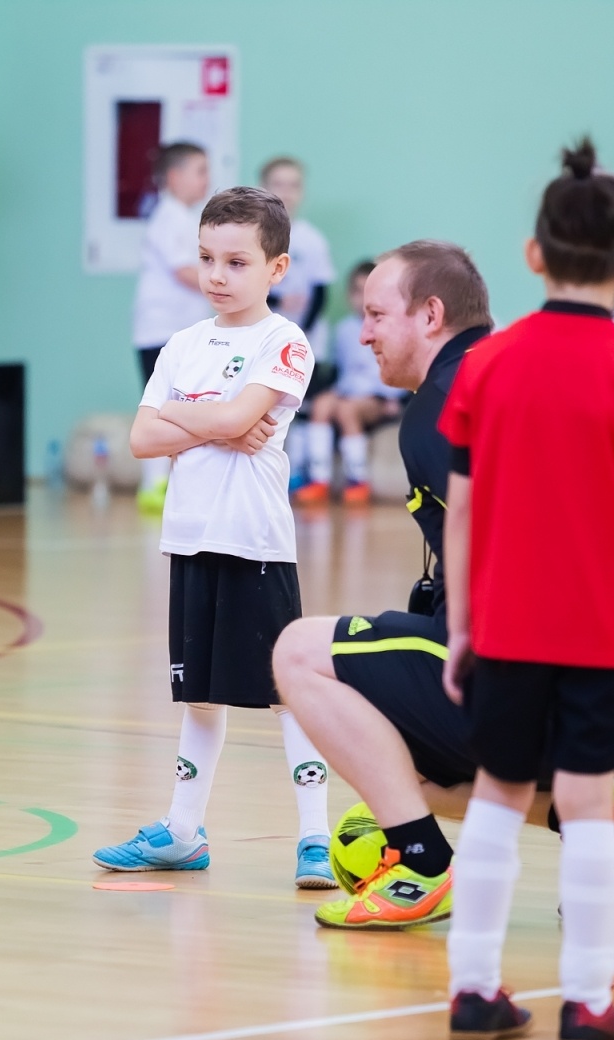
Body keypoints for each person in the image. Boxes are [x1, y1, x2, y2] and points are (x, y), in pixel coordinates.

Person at [273, 240, 614, 932]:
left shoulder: (442, 408)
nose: (363, 332)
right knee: (393, 774)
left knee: (299, 652)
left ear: (431, 315)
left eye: (376, 315)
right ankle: (594, 815)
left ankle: (423, 868)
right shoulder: (530, 372)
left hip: (539, 681)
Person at [435, 141, 614, 1040]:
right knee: (585, 804)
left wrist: (462, 625)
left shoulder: (486, 366)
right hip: (601, 638)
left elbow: (459, 515)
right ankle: (588, 1005)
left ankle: (474, 994)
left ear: (533, 255)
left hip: (505, 627)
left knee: (500, 797)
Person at [94, 186, 336, 889]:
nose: (217, 275)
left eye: (236, 261)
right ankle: (182, 831)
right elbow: (143, 438)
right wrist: (218, 417)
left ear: (277, 268)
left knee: (287, 692)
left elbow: (229, 421)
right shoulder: (181, 345)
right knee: (199, 697)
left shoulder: (283, 341)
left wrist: (191, 417)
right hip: (190, 540)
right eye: (206, 259)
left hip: (256, 543)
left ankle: (315, 837)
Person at [131, 142, 212, 513]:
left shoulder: (188, 219)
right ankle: (154, 484)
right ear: (175, 176)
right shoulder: (169, 218)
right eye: (200, 171)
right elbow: (184, 271)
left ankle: (172, 482)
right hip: (161, 332)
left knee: (183, 406)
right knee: (163, 408)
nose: (206, 180)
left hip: (181, 331)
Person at [293, 260, 407, 505]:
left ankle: (358, 479)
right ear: (349, 294)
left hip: (377, 398)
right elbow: (336, 370)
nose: (362, 299)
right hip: (347, 391)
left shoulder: (391, 328)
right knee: (323, 404)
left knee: (346, 410)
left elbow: (403, 368)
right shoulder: (344, 329)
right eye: (357, 291)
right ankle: (318, 477)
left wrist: (398, 400)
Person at [257, 157, 337, 495]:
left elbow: (321, 291)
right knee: (264, 404)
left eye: (294, 185)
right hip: (263, 338)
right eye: (279, 184)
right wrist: (275, 306)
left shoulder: (311, 240)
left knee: (303, 405)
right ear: (264, 188)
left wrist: (300, 330)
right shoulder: (254, 236)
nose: (286, 193)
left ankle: (305, 475)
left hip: (304, 340)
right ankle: (268, 475)